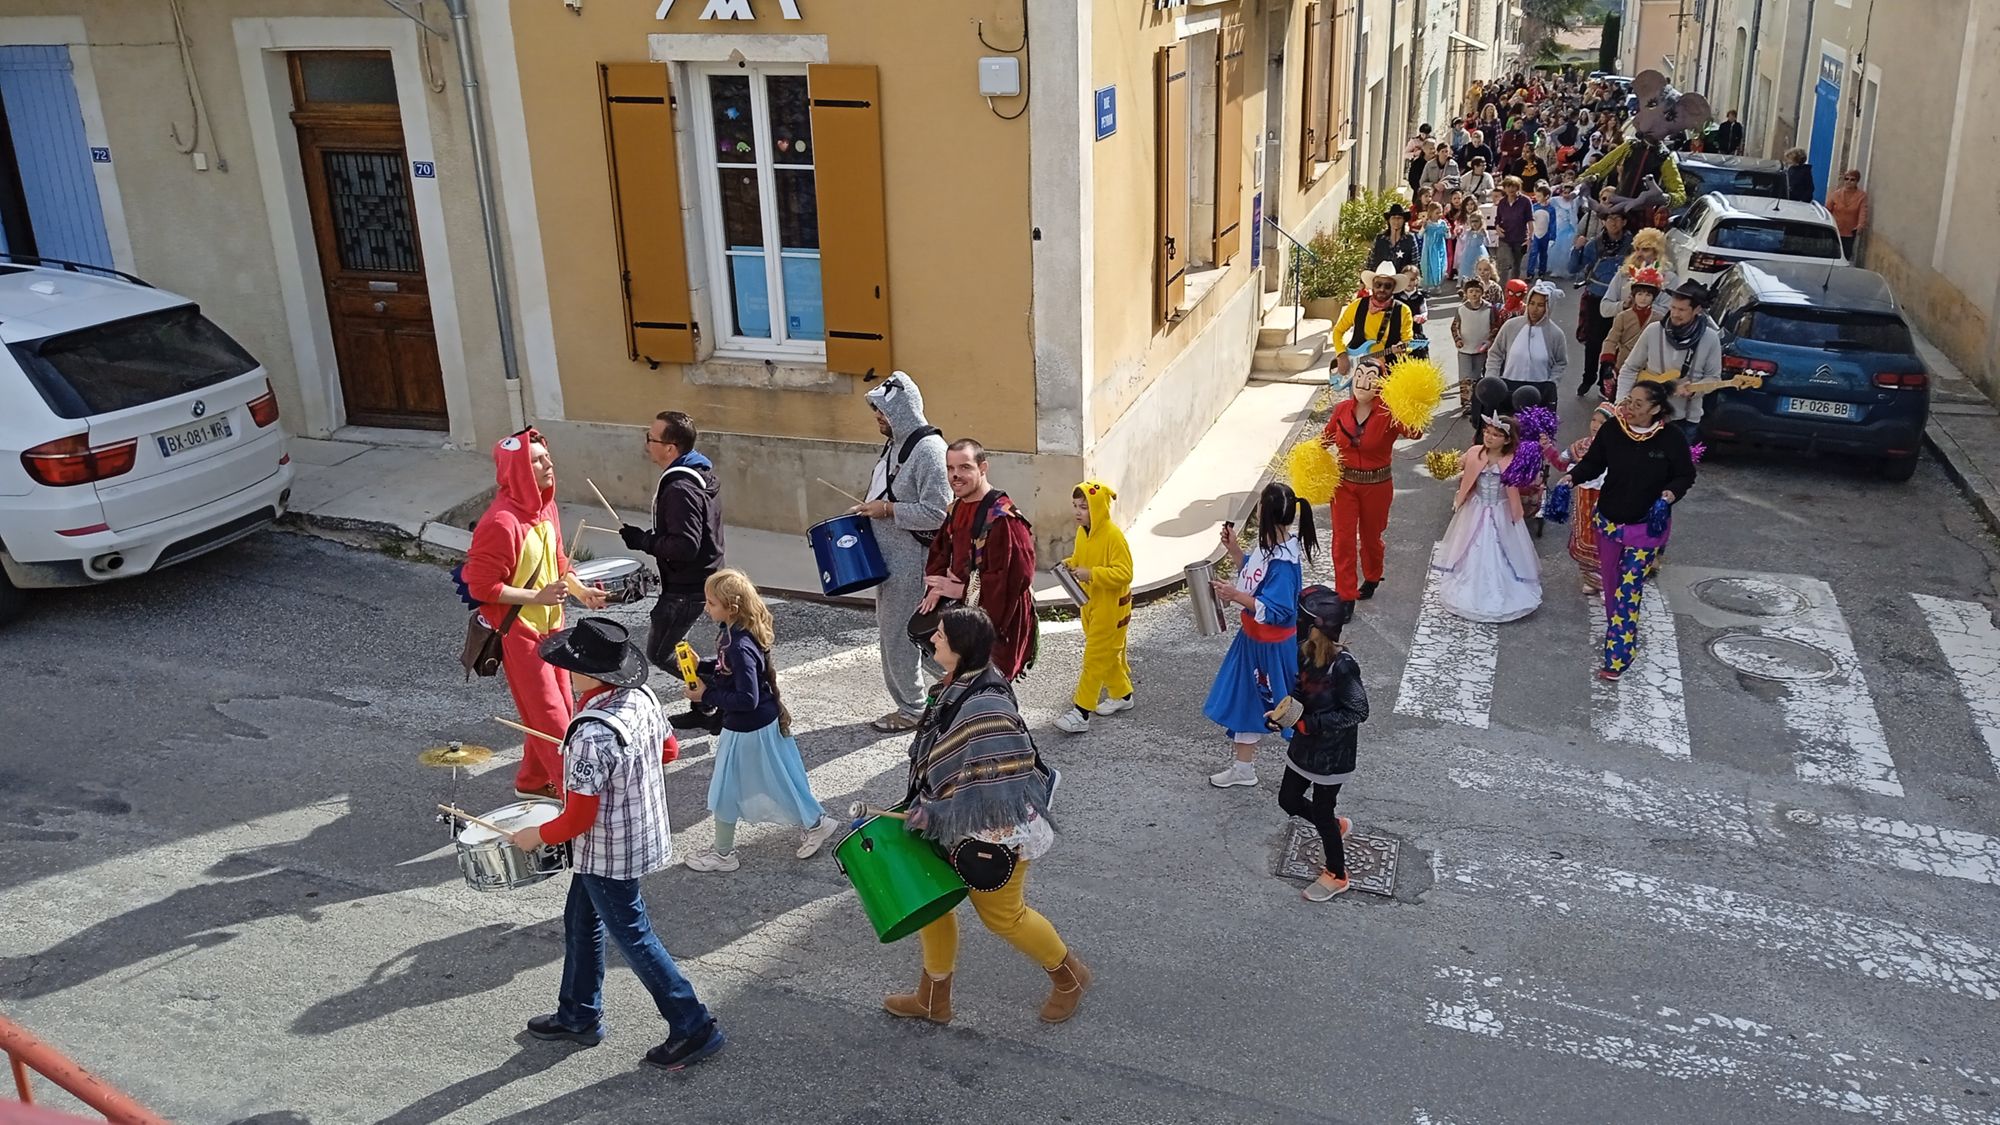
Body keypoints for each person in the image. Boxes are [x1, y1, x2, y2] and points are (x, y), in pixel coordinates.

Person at [508, 616, 722, 1070]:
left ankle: (693, 1023)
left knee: (634, 937)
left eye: (571, 666)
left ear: (590, 674)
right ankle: (578, 1013)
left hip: (606, 850)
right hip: (639, 831)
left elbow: (578, 818)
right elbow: (668, 751)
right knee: (580, 919)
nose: (565, 671)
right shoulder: (641, 697)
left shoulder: (591, 734)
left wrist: (535, 836)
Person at [884, 605, 1085, 1026]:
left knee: (1004, 917)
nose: (933, 639)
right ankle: (933, 1000)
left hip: (995, 834)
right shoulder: (960, 683)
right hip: (949, 824)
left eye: (940, 635)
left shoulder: (985, 707)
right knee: (932, 904)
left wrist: (937, 813)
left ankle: (1070, 979)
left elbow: (996, 787)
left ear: (960, 647)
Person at [462, 430, 607, 799]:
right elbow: (480, 587)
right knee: (553, 721)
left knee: (557, 711)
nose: (548, 464)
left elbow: (558, 562)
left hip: (553, 627)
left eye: (547, 456)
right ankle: (575, 798)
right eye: (537, 460)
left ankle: (531, 782)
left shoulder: (546, 508)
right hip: (520, 634)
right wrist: (537, 597)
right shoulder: (500, 522)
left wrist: (581, 591)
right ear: (518, 471)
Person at [680, 569, 838, 872]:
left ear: (731, 607)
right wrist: (703, 666)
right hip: (758, 724)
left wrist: (706, 695)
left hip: (746, 728)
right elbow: (731, 670)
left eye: (711, 603)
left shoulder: (737, 644)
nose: (706, 607)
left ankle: (723, 855)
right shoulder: (736, 632)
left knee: (725, 790)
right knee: (780, 779)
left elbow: (746, 698)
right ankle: (816, 823)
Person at [1562, 381, 1697, 682]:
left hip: (1645, 527)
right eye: (1628, 400)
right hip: (1609, 522)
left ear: (1656, 409)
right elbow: (1594, 464)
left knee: (1628, 589)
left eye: (1638, 404)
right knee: (1611, 585)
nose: (1628, 408)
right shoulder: (1613, 430)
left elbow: (1685, 475)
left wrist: (1669, 495)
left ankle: (1618, 656)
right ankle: (1620, 630)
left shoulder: (1671, 438)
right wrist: (1571, 478)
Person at [849, 372, 951, 733]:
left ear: (902, 412)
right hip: (891, 560)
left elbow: (939, 513)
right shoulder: (897, 444)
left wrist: (888, 510)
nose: (877, 417)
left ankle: (912, 710)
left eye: (882, 411)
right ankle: (967, 683)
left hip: (910, 563)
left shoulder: (929, 452)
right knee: (916, 636)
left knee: (899, 637)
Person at [1204, 482, 1318, 789]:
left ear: (1264, 512)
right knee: (1247, 701)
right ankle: (1244, 768)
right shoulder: (1275, 548)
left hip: (1269, 648)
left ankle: (1313, 765)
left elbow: (1277, 609)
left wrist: (1235, 596)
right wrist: (1235, 551)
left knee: (1286, 709)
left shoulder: (1282, 562)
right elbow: (1255, 577)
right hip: (1254, 641)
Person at [1266, 588, 1367, 902]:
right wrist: (1284, 715)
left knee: (1322, 811)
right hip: (1304, 745)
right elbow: (1301, 688)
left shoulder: (1344, 666)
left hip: (1333, 754)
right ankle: (1335, 827)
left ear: (1317, 625)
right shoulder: (1305, 651)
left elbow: (1358, 711)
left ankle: (1337, 874)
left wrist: (1310, 724)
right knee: (1288, 799)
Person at [620, 411, 723, 715]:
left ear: (670, 448)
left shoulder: (680, 489)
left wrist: (644, 541)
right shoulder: (699, 473)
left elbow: (686, 546)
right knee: (679, 645)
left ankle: (715, 694)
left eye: (650, 439)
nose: (646, 444)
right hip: (699, 578)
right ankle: (703, 708)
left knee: (661, 652)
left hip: (685, 587)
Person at [919, 440, 1037, 681]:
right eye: (950, 468)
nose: (955, 476)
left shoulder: (1004, 519)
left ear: (983, 468)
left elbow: (1016, 579)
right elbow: (940, 551)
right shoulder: (956, 508)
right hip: (964, 613)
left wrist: (963, 590)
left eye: (964, 467)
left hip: (995, 621)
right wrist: (936, 588)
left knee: (987, 687)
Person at [1320, 358, 1422, 604]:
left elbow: (1415, 431)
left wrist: (1408, 403)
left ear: (1381, 384)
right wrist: (1308, 458)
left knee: (1371, 538)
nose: (1362, 382)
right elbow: (1324, 440)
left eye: (1370, 378)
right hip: (1344, 485)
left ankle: (1373, 575)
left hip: (1377, 486)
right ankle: (1345, 595)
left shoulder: (1389, 411)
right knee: (1342, 540)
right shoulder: (1341, 410)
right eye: (1359, 376)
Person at [1434, 416, 1542, 623]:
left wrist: (1536, 457)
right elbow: (1455, 466)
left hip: (1502, 510)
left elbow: (1531, 480)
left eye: (1496, 435)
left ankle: (1503, 587)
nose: (1489, 437)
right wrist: (1441, 464)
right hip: (1476, 507)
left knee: (1503, 548)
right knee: (1472, 545)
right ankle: (1471, 585)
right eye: (1487, 432)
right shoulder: (1474, 452)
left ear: (1507, 439)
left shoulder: (1514, 459)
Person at [1054, 480, 1134, 734]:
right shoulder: (1083, 533)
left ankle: (1081, 712)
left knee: (1094, 658)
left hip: (1111, 608)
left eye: (1084, 507)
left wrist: (1092, 574)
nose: (1078, 512)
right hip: (1090, 604)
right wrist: (1070, 564)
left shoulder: (1113, 536)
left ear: (1098, 508)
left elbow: (1125, 573)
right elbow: (1081, 559)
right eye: (1076, 506)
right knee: (1105, 654)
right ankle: (1122, 694)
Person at [1617, 279, 1721, 439]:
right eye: (1673, 307)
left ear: (1697, 310)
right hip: (1647, 417)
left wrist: (1695, 391)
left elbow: (1714, 377)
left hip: (1685, 421)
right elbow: (1630, 368)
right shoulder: (1653, 331)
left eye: (1682, 310)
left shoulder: (1711, 338)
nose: (1675, 314)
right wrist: (1622, 401)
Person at [1548, 403, 1619, 593]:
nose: (1595, 425)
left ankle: (1607, 584)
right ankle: (1591, 579)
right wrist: (1547, 447)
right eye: (1594, 420)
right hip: (1584, 504)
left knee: (1606, 539)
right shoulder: (1580, 446)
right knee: (1585, 537)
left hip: (1607, 503)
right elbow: (1561, 463)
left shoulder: (1619, 449)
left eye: (1602, 422)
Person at [1576, 209, 1635, 393]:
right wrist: (1577, 249)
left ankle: (1605, 381)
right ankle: (1588, 378)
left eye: (1617, 218)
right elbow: (1574, 267)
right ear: (1603, 222)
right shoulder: (1594, 244)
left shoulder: (1633, 246)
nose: (1613, 222)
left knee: (1615, 342)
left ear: (1624, 222)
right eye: (1609, 218)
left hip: (1622, 302)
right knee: (1593, 342)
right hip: (1596, 297)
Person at [1484, 280, 1569, 407]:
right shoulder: (1511, 326)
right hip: (1509, 389)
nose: (1534, 309)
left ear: (1548, 307)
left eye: (1540, 305)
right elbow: (1495, 353)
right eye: (1532, 303)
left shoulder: (1556, 334)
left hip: (1539, 393)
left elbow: (1560, 362)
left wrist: (1551, 384)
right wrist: (1493, 380)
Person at [1330, 262, 1414, 377]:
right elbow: (1338, 331)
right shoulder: (1357, 305)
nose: (1382, 289)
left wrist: (1402, 349)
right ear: (1372, 285)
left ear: (1393, 288)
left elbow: (1408, 342)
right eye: (1378, 284)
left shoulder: (1403, 311)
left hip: (1389, 371)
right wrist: (1341, 354)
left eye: (1387, 286)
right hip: (1358, 371)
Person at [1599, 266, 1665, 399]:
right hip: (1623, 361)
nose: (1643, 298)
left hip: (1647, 365)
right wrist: (1607, 363)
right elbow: (1611, 340)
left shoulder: (1659, 318)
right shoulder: (1623, 316)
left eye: (1648, 295)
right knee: (1619, 397)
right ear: (1633, 295)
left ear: (1653, 297)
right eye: (1640, 294)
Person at [1451, 277, 1504, 397]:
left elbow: (1495, 326)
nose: (1474, 294)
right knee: (1465, 378)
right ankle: (1466, 402)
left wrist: (1489, 341)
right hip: (1465, 349)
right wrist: (1458, 339)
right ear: (1466, 293)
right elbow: (1455, 327)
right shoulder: (1461, 309)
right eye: (1471, 291)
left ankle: (1476, 400)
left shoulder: (1489, 309)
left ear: (1482, 293)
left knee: (1477, 377)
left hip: (1482, 349)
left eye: (1477, 291)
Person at [1491, 175, 1533, 282]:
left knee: (1516, 265)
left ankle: (1513, 287)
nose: (1511, 189)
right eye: (1508, 186)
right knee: (1504, 263)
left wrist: (1530, 238)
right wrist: (1497, 228)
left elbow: (1530, 220)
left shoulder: (1525, 201)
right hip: (1505, 238)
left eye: (1513, 186)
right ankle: (1501, 287)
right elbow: (1498, 219)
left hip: (1520, 238)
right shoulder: (1502, 202)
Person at [1827, 169, 1869, 260]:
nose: (1849, 181)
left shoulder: (1861, 196)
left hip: (1850, 231)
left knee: (1846, 254)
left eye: (1852, 179)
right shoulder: (1836, 194)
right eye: (1846, 179)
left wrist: (1860, 225)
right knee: (1833, 253)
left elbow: (1863, 212)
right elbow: (1827, 209)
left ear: (1857, 181)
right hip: (1835, 229)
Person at [1370, 203, 1422, 274]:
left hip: (1402, 278)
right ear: (1389, 220)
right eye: (1393, 218)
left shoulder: (1410, 239)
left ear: (1403, 220)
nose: (1396, 221)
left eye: (1399, 218)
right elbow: (1371, 261)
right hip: (1381, 278)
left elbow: (1415, 264)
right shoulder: (1380, 239)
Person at [1453, 198, 1489, 283]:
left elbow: (1487, 243)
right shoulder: (1466, 227)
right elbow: (1462, 238)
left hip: (1479, 251)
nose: (1474, 224)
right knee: (1465, 266)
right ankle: (1464, 282)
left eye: (1472, 204)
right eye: (1467, 204)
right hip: (1467, 249)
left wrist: (1485, 235)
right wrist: (1458, 234)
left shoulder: (1481, 229)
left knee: (1478, 266)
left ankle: (1479, 281)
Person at [1526, 183, 1556, 279]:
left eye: (1539, 196)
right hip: (1535, 233)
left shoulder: (1551, 209)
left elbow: (1552, 223)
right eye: (1536, 195)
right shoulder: (1534, 207)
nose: (1537, 198)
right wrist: (1528, 233)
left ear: (1546, 196)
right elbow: (1529, 220)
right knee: (1533, 253)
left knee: (1543, 253)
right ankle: (1530, 273)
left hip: (1545, 234)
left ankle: (1542, 272)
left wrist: (1552, 237)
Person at [1420, 202, 1450, 290]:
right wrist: (1423, 228)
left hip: (1439, 249)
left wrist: (1447, 231)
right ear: (1431, 213)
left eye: (1440, 212)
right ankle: (1427, 285)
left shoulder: (1442, 223)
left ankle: (1437, 285)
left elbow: (1448, 236)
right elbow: (1420, 235)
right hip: (1429, 249)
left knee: (1439, 266)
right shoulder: (1427, 224)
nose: (1439, 215)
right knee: (1428, 266)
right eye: (1437, 213)